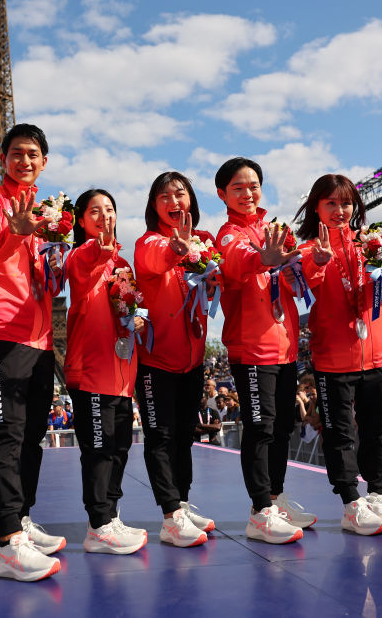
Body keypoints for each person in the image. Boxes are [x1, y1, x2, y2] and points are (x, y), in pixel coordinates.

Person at [0, 123, 64, 582]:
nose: (25, 160)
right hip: (2, 328)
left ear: (44, 162)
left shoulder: (47, 211)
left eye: (34, 154)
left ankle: (21, 518)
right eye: (17, 152)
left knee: (31, 435)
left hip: (40, 334)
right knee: (6, 433)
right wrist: (13, 229)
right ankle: (7, 541)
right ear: (2, 157)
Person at [296, 173, 382, 535]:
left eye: (346, 202)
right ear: (317, 207)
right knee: (340, 433)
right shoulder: (307, 249)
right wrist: (320, 263)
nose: (340, 210)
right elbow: (302, 288)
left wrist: (381, 275)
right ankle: (350, 503)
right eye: (331, 203)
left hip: (377, 353)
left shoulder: (374, 242)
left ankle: (377, 494)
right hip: (332, 357)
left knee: (376, 429)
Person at [214, 157, 312, 544]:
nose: (248, 192)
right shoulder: (226, 234)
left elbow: (294, 281)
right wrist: (262, 259)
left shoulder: (276, 230)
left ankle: (275, 497)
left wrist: (306, 265)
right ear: (223, 193)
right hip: (252, 347)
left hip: (285, 346)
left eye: (253, 185)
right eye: (238, 187)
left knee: (283, 427)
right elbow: (237, 264)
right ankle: (259, 511)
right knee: (261, 428)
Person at [134, 171, 217, 548]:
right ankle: (170, 515)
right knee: (161, 437)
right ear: (154, 205)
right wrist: (177, 249)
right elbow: (155, 259)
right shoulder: (148, 242)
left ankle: (181, 504)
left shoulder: (203, 245)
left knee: (184, 436)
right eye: (164, 196)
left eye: (179, 194)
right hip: (156, 361)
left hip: (193, 359)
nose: (173, 201)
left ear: (191, 201)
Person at [64, 188, 148, 554]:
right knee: (98, 451)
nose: (104, 215)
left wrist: (138, 319)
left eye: (110, 209)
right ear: (81, 221)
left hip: (121, 375)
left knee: (119, 448)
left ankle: (110, 516)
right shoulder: (81, 260)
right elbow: (87, 259)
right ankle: (97, 525)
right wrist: (102, 247)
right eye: (94, 211)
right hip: (92, 373)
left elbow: (130, 310)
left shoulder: (122, 267)